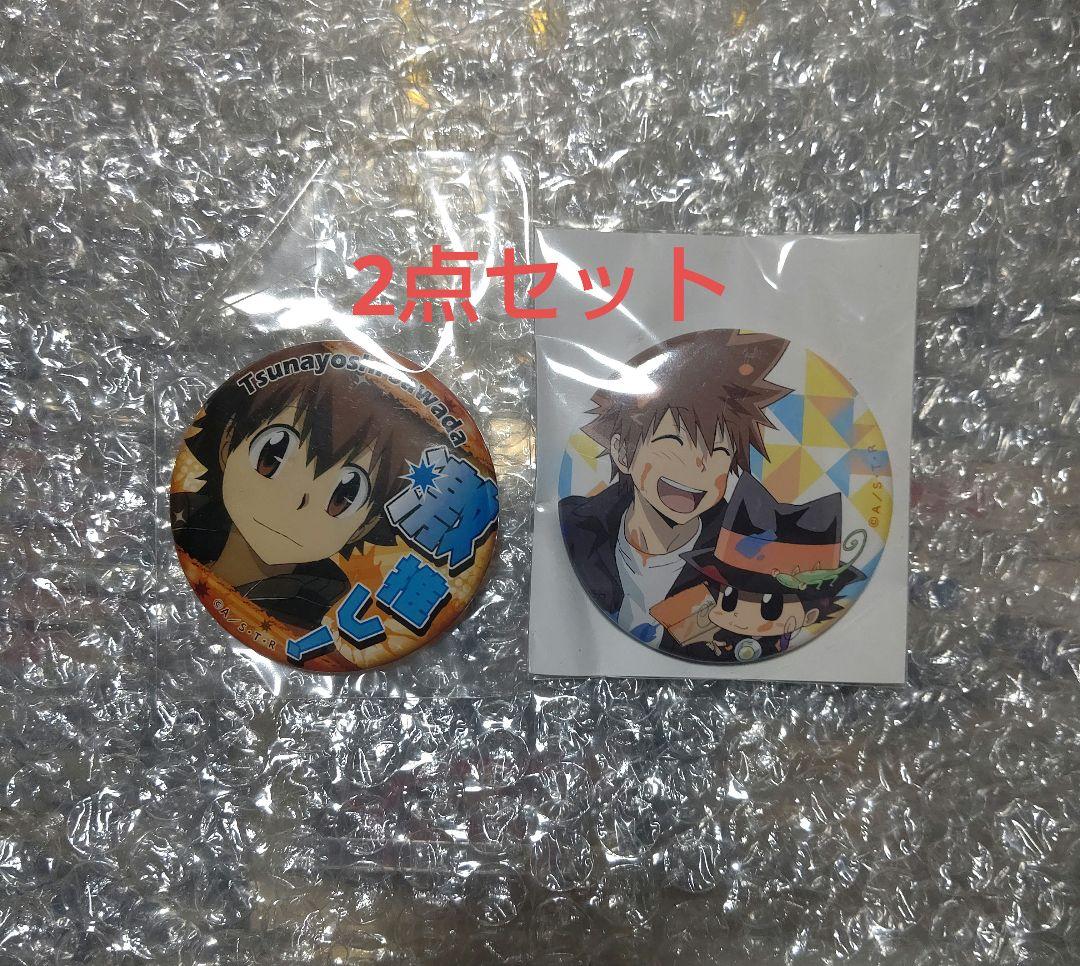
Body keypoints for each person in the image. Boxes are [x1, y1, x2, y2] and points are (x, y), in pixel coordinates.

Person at [558, 330, 791, 646]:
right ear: (623, 453)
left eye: (719, 451)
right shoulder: (574, 527)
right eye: (673, 441)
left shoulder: (751, 561)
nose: (698, 466)